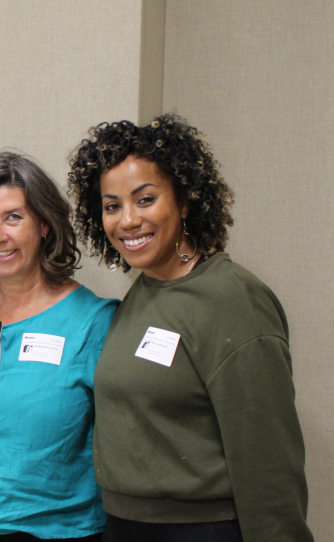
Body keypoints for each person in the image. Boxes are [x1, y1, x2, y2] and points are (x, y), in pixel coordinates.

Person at [67, 114, 314, 542]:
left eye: (145, 199)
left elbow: (269, 464)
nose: (127, 220)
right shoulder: (144, 292)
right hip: (126, 525)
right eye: (112, 206)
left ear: (184, 201)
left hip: (200, 529)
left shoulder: (232, 300)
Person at [0, 152, 118, 542]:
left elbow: (120, 444)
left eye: (13, 217)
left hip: (52, 531)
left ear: (45, 225)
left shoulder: (94, 321)